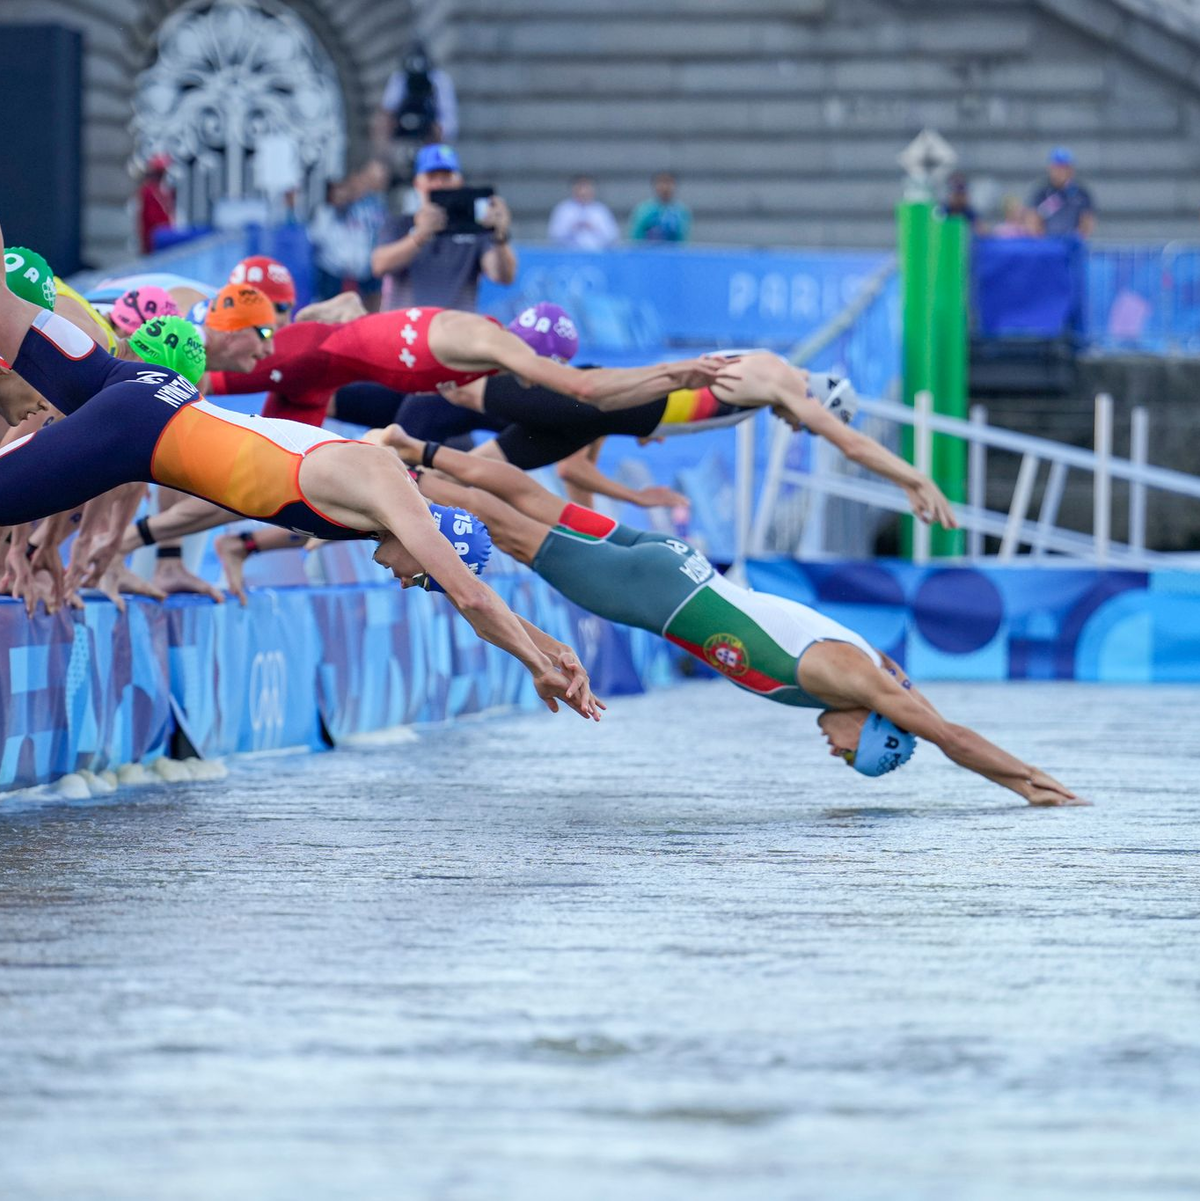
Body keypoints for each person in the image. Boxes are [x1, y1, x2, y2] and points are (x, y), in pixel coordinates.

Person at [0, 218, 600, 721]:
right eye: (423, 577)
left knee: (7, 309)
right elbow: (472, 597)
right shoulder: (389, 493)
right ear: (434, 540)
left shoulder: (373, 512)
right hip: (139, 429)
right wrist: (536, 667)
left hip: (147, 392)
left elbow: (474, 594)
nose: (409, 582)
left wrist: (553, 649)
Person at [381, 430, 1083, 807]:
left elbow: (918, 706)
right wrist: (1027, 779)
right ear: (870, 723)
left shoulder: (867, 675)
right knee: (507, 527)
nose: (835, 753)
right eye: (852, 753)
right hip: (653, 593)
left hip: (673, 563)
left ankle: (414, 451)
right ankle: (395, 478)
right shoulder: (851, 678)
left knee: (532, 504)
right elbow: (947, 733)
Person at [371, 144, 515, 313]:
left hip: (456, 329)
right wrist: (419, 236)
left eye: (446, 176)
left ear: (459, 181)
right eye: (432, 177)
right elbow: (379, 265)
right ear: (418, 183)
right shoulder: (400, 224)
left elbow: (502, 276)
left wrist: (500, 236)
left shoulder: (475, 229)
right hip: (406, 328)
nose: (439, 183)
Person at [370, 41, 459, 169]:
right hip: (400, 139)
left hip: (431, 141)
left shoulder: (440, 80)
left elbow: (450, 124)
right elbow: (386, 111)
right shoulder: (399, 79)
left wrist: (436, 133)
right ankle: (381, 167)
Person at [1028, 148, 1095, 238]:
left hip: (1072, 245)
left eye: (1065, 168)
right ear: (1050, 168)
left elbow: (1087, 222)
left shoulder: (1081, 193)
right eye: (1057, 168)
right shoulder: (1042, 192)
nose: (1061, 172)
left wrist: (1076, 240)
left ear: (1071, 170)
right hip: (1047, 244)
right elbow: (1032, 220)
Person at [547, 176, 621, 251]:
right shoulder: (563, 209)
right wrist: (573, 228)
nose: (583, 191)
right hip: (569, 255)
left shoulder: (600, 210)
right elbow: (555, 235)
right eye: (580, 188)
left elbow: (612, 236)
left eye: (587, 188)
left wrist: (594, 228)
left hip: (597, 255)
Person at [628, 172, 691, 244]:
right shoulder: (644, 209)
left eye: (669, 183)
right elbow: (636, 236)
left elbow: (683, 239)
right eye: (661, 183)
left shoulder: (681, 211)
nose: (665, 187)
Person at [137, 153, 175, 254]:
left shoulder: (164, 190)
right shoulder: (148, 191)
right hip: (155, 236)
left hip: (165, 234)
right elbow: (147, 217)